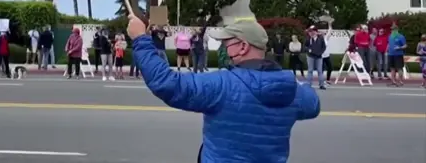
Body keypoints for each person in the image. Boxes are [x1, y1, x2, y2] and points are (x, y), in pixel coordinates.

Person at [130, 15, 320, 163]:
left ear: (243, 47)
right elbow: (314, 104)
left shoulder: (223, 84)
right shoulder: (294, 90)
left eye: (227, 44)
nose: (224, 49)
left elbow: (167, 83)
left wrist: (140, 39)